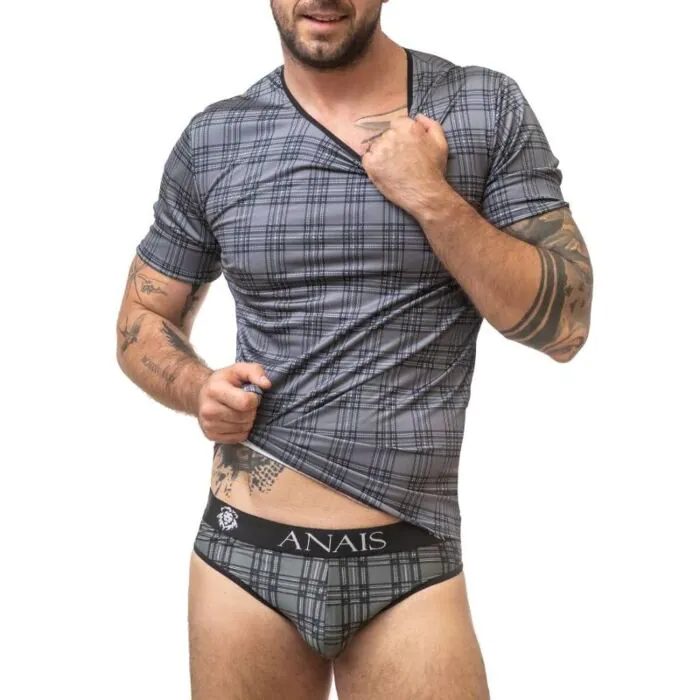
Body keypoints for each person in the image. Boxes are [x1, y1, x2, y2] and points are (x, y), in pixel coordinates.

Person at [116, 1, 593, 697]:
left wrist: (430, 196)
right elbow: (141, 316)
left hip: (412, 560)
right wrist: (196, 388)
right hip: (242, 559)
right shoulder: (216, 138)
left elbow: (566, 327)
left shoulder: (478, 107)